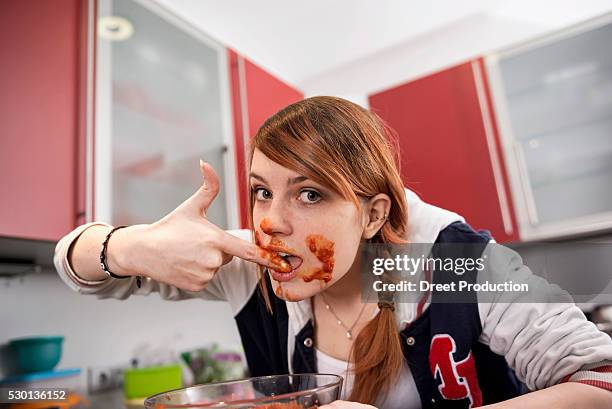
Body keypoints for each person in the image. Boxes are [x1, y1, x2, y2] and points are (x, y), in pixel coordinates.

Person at [55, 97, 612, 409]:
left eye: (310, 193)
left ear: (371, 214)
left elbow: (600, 381)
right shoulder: (249, 263)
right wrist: (132, 246)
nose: (270, 221)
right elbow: (76, 266)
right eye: (261, 191)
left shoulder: (453, 263)